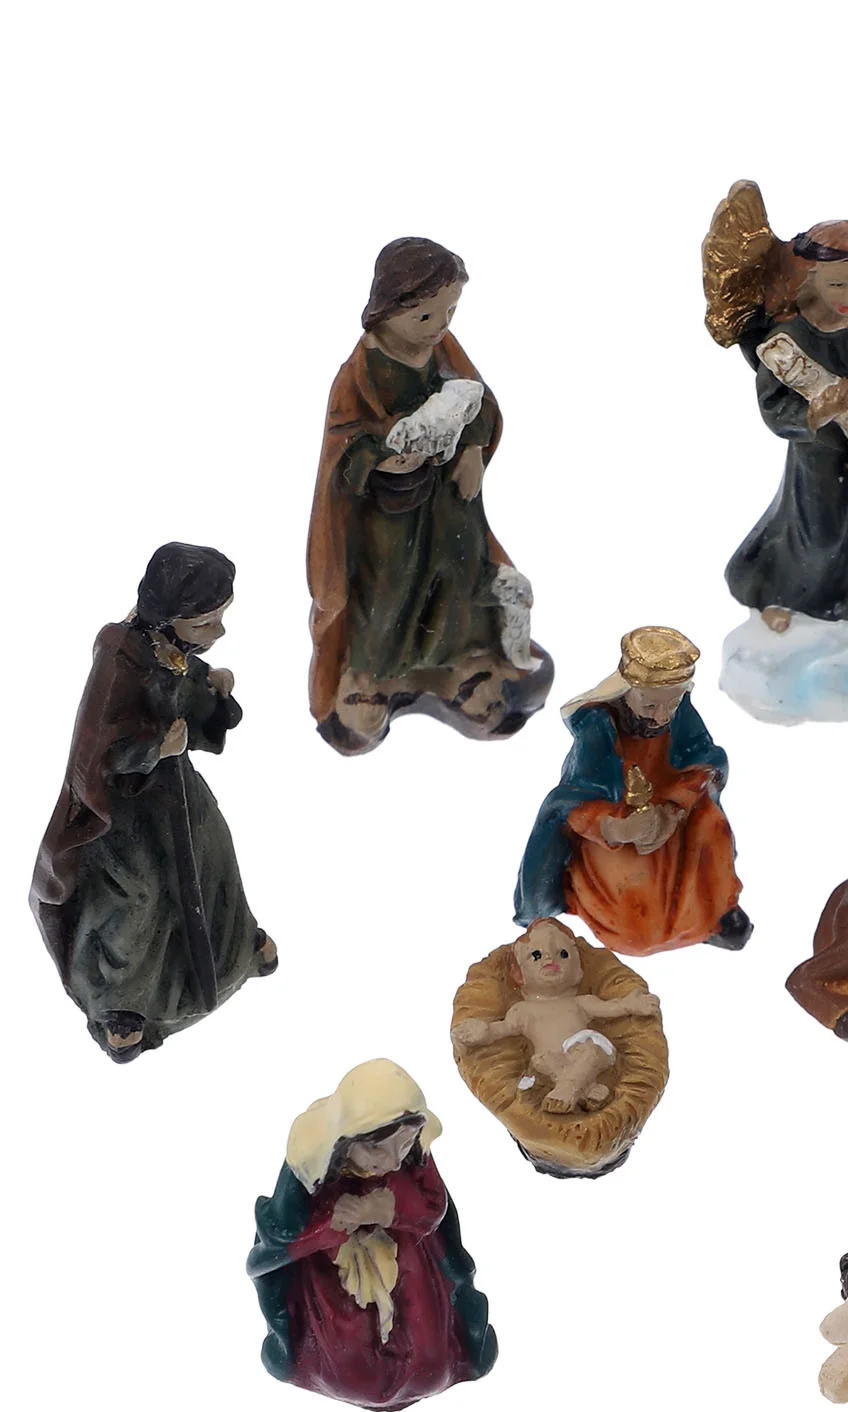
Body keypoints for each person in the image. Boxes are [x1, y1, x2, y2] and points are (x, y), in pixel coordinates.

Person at [306, 236, 552, 753]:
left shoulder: (443, 350)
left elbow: (480, 402)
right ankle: (377, 670)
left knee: (458, 575)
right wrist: (380, 459)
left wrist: (473, 450)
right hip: (391, 516)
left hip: (451, 500)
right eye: (424, 316)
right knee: (388, 594)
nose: (440, 325)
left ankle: (458, 657)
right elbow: (342, 443)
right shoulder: (360, 371)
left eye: (450, 312)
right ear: (386, 308)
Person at [31, 543, 276, 1060]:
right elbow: (95, 745)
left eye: (220, 618)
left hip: (175, 790)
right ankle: (118, 1002)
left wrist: (216, 694)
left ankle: (234, 948)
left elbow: (190, 703)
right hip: (123, 811)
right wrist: (153, 746)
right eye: (206, 622)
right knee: (137, 894)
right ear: (170, 614)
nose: (219, 632)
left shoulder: (172, 650)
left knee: (213, 849)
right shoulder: (120, 657)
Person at [248, 1058, 497, 1411]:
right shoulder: (310, 1159)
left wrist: (390, 1209)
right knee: (351, 1367)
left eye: (404, 1144)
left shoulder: (411, 1155)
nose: (393, 1161)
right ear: (345, 1141)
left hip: (406, 1262)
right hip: (334, 1275)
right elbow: (281, 1235)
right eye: (377, 1150)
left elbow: (434, 1206)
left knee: (429, 1360)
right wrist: (329, 1226)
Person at [725, 219, 848, 649]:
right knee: (812, 533)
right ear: (808, 278)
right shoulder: (788, 340)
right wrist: (815, 413)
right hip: (816, 457)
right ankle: (781, 594)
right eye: (839, 285)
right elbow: (773, 406)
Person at [514, 627, 751, 956]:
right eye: (650, 705)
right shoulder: (598, 730)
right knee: (637, 930)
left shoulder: (680, 717)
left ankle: (714, 915)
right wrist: (619, 828)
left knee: (711, 827)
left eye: (672, 704)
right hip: (614, 831)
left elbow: (706, 762)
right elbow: (575, 803)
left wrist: (672, 808)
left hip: (676, 816)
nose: (662, 716)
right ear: (626, 692)